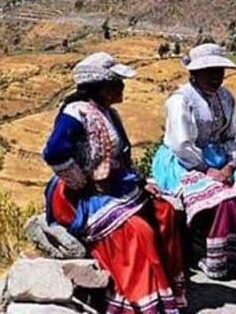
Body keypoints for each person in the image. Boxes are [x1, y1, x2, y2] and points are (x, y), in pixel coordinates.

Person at [43, 52, 187, 314]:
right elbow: (54, 152)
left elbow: (121, 157)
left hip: (115, 186)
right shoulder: (75, 113)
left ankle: (165, 290)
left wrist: (141, 183)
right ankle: (136, 301)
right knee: (137, 231)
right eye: (117, 83)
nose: (122, 87)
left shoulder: (109, 113)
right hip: (79, 195)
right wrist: (81, 182)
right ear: (101, 87)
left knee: (164, 212)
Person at [151, 43, 236, 279]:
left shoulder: (225, 97)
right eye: (208, 70)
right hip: (183, 161)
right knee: (221, 196)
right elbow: (180, 143)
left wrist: (231, 164)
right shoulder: (181, 100)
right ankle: (215, 256)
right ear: (193, 73)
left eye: (219, 70)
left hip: (220, 159)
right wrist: (207, 169)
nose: (215, 76)